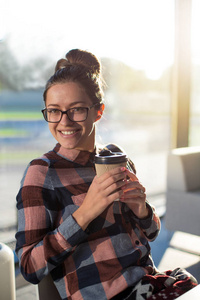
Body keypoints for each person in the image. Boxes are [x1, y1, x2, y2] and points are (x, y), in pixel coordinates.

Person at [15, 49, 197, 300]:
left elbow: (153, 233)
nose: (64, 122)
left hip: (148, 284)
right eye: (54, 111)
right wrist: (85, 213)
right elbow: (28, 267)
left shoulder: (116, 157)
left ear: (98, 111)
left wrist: (142, 209)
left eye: (76, 109)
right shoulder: (42, 172)